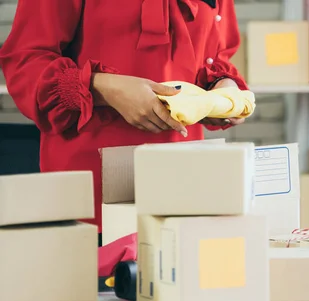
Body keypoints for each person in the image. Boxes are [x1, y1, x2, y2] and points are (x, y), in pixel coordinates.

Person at [0, 0, 247, 244]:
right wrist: (107, 89)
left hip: (181, 187)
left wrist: (221, 87)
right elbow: (27, 62)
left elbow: (215, 55)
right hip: (89, 188)